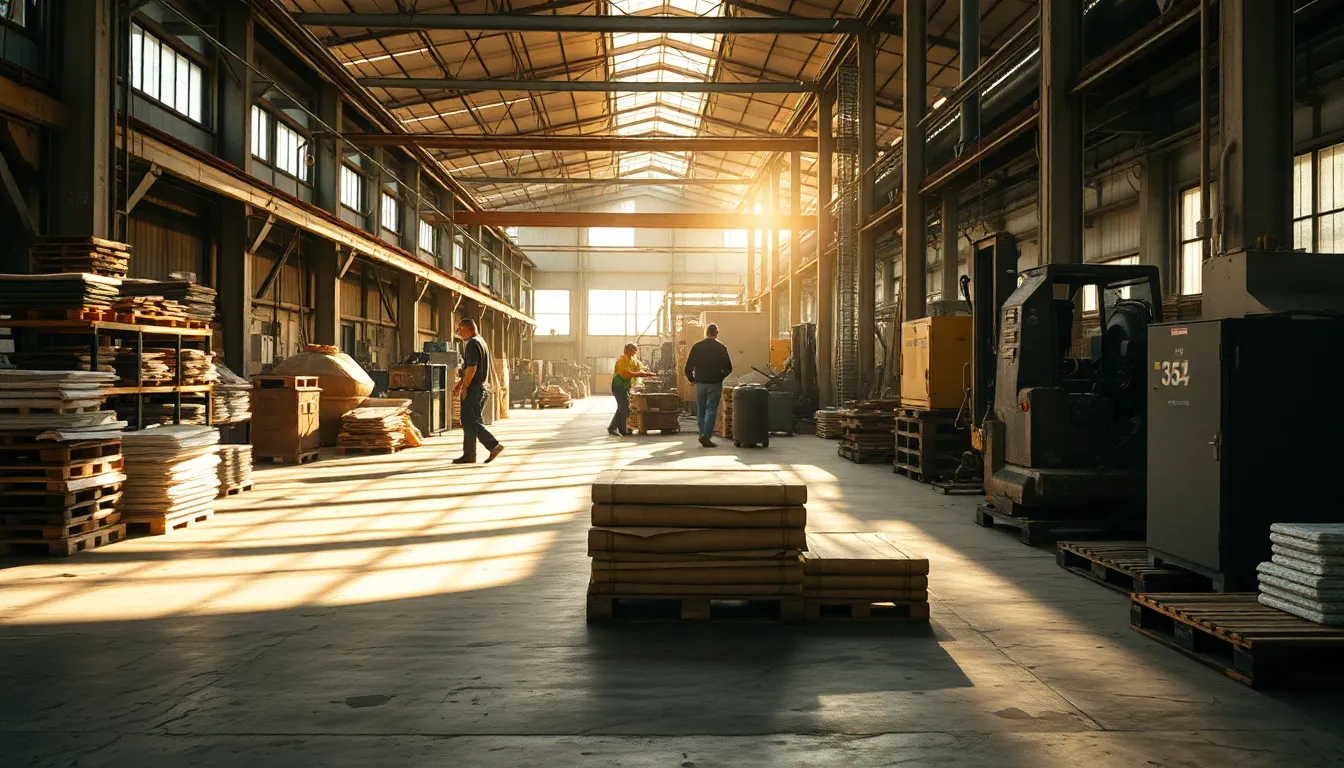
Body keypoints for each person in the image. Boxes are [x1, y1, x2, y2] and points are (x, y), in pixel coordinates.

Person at [452, 317, 504, 464]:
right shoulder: (481, 342)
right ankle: (469, 455)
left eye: (460, 329)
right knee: (469, 421)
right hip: (480, 388)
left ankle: (493, 445)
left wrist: (464, 387)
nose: (459, 332)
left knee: (471, 421)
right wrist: (458, 385)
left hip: (474, 389)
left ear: (469, 329)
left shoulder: (472, 344)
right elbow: (469, 368)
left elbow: (472, 368)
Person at [683, 323, 733, 447]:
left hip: (700, 383)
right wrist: (720, 376)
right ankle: (706, 436)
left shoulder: (697, 347)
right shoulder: (721, 348)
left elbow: (688, 367)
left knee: (701, 409)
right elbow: (728, 368)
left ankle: (702, 434)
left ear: (706, 333)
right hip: (715, 383)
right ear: (717, 333)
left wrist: (692, 379)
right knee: (711, 409)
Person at [608, 343, 655, 437]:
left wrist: (647, 373)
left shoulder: (633, 360)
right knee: (624, 408)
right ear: (626, 350)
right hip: (618, 385)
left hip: (625, 386)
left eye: (634, 351)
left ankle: (613, 428)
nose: (633, 353)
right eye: (631, 351)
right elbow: (625, 374)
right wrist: (639, 374)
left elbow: (639, 368)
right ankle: (621, 430)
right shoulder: (622, 360)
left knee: (622, 407)